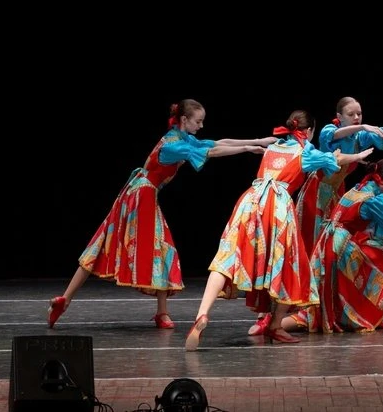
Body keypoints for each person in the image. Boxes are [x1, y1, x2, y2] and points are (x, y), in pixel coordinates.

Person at [48, 99, 275, 329]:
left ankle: (66, 300)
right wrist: (248, 149)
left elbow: (216, 142)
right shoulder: (173, 146)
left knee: (115, 242)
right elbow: (213, 151)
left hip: (138, 193)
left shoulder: (181, 138)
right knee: (160, 248)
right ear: (184, 119)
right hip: (142, 196)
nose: (201, 126)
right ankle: (160, 312)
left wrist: (257, 141)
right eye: (198, 121)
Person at [184, 110, 373, 350]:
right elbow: (335, 159)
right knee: (290, 264)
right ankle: (275, 323)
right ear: (309, 131)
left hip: (250, 200)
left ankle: (202, 313)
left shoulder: (274, 146)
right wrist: (358, 155)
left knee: (226, 257)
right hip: (277, 205)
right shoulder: (305, 151)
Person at [287, 158, 383, 333]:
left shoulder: (360, 188)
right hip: (340, 247)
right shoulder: (374, 200)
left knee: (324, 303)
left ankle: (275, 323)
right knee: (324, 309)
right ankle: (275, 324)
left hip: (329, 242)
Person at [295, 96, 383, 254]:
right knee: (312, 233)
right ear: (339, 116)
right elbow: (336, 135)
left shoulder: (359, 137)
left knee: (331, 236)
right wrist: (362, 127)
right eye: (351, 114)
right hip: (317, 189)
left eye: (359, 114)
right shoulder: (329, 130)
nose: (356, 117)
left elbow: (381, 133)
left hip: (336, 191)